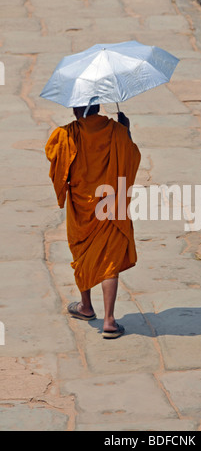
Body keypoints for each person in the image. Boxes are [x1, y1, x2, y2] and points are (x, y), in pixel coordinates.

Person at [45, 104, 141, 339]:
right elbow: (132, 157)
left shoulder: (66, 134)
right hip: (110, 205)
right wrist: (126, 131)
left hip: (82, 206)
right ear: (98, 106)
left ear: (77, 110)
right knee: (109, 259)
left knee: (82, 252)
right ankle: (109, 320)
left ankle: (85, 306)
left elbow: (54, 159)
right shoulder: (116, 131)